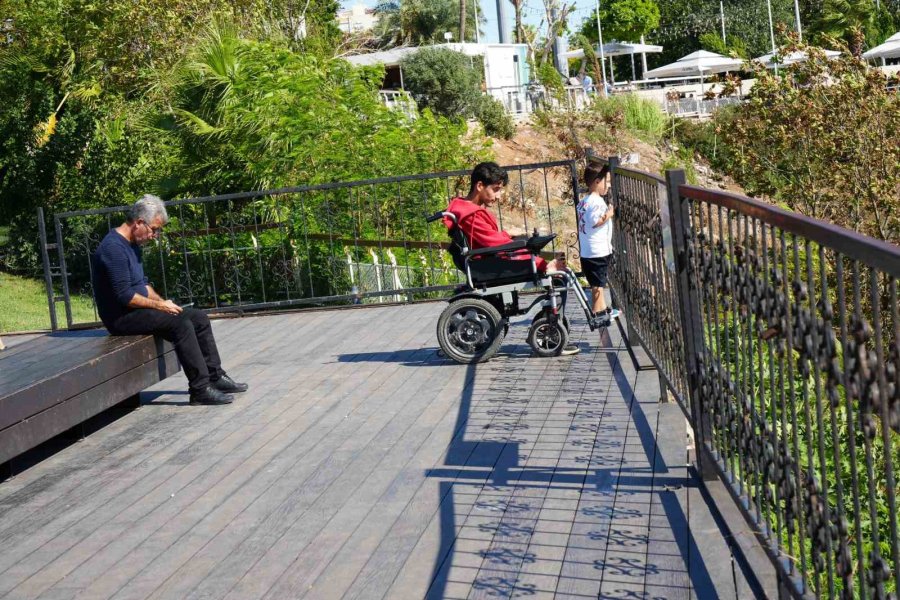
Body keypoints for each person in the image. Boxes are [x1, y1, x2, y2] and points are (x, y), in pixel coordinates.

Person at [91, 195, 248, 405]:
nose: (155, 235)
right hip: (121, 318)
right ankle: (200, 390)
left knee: (198, 318)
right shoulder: (113, 248)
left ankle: (215, 376)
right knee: (180, 324)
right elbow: (125, 295)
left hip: (136, 310)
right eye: (154, 229)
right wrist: (159, 306)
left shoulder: (133, 245)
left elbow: (142, 285)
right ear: (139, 222)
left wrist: (165, 303)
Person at [445, 162, 579, 356]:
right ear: (480, 186)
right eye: (496, 189)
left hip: (486, 260)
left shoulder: (464, 208)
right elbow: (494, 243)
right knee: (557, 275)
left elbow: (488, 239)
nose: (499, 196)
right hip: (488, 264)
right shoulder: (470, 215)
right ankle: (552, 330)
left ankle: (551, 325)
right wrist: (540, 263)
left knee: (549, 265)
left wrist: (508, 235)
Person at [577, 164, 619, 326]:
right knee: (598, 287)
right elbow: (596, 221)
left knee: (597, 285)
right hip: (597, 252)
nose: (608, 185)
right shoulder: (596, 202)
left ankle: (602, 311)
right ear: (596, 181)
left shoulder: (584, 201)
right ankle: (597, 316)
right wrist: (609, 214)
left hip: (587, 252)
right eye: (606, 182)